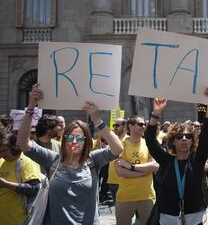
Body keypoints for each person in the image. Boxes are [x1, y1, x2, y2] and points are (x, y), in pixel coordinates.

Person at [16, 84, 123, 224]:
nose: (74, 142)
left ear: (86, 142)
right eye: (69, 137)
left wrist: (97, 120)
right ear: (63, 138)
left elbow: (117, 149)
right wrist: (31, 107)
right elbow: (23, 143)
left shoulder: (93, 160)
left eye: (79, 138)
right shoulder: (53, 160)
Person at [144, 85, 208, 225]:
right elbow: (150, 141)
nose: (184, 139)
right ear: (173, 141)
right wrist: (156, 112)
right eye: (179, 136)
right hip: (168, 215)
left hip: (194, 215)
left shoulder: (197, 160)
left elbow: (207, 135)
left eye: (188, 136)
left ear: (192, 141)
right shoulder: (166, 160)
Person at [114, 115, 159, 225]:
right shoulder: (121, 145)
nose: (144, 126)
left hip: (147, 196)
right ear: (130, 126)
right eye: (140, 124)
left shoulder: (149, 144)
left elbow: (155, 166)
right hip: (125, 197)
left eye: (144, 124)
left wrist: (131, 167)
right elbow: (120, 171)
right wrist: (145, 171)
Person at [0, 131, 41, 225]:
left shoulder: (26, 163)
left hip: (19, 220)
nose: (2, 154)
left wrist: (5, 184)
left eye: (4, 150)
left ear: (14, 147)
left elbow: (35, 188)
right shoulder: (2, 162)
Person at [107, 118, 128, 204]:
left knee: (124, 210)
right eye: (114, 125)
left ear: (125, 127)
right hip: (112, 180)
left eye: (117, 125)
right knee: (118, 210)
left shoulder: (128, 140)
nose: (115, 127)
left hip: (123, 180)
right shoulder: (113, 140)